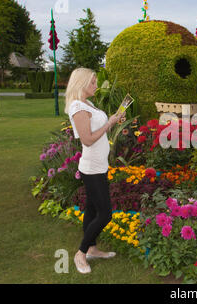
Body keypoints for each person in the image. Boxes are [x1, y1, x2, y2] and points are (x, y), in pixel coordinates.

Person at [64, 67, 125, 274]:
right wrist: (109, 123)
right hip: (92, 168)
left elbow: (98, 128)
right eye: (92, 82)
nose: (96, 86)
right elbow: (88, 140)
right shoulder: (78, 108)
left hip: (99, 166)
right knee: (105, 213)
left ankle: (92, 249)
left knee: (91, 209)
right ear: (81, 84)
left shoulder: (87, 104)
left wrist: (114, 119)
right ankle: (81, 253)